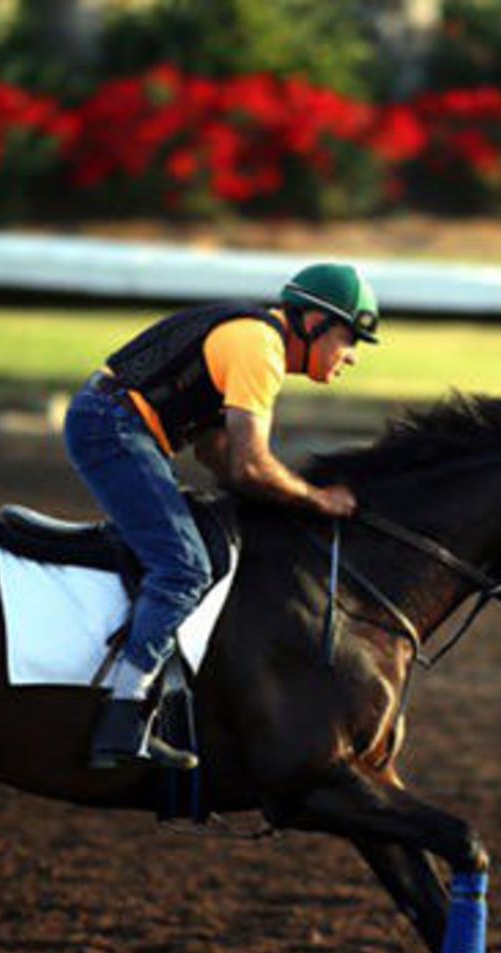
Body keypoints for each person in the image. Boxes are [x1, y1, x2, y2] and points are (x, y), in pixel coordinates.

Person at [64, 262, 376, 771]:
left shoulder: (252, 334)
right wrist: (317, 500)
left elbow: (216, 452)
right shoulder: (261, 347)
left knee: (200, 544)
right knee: (183, 567)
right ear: (314, 322)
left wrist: (270, 500)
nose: (353, 356)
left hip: (116, 422)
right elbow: (250, 464)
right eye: (350, 338)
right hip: (113, 428)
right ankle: (123, 722)